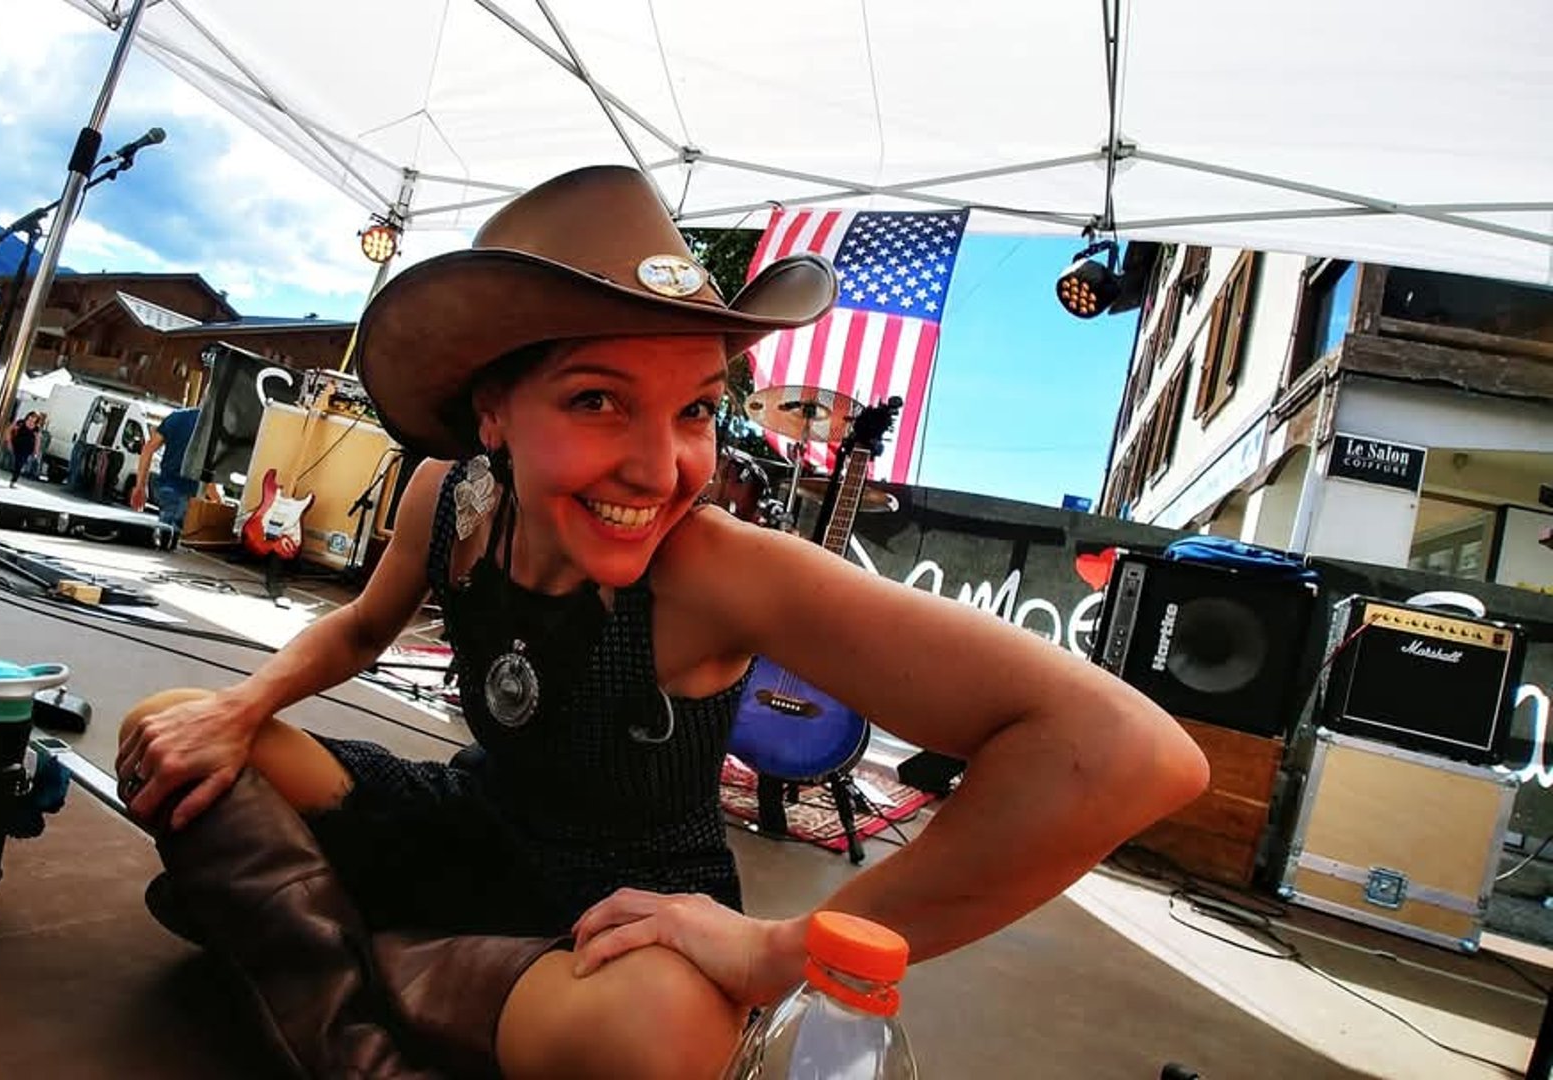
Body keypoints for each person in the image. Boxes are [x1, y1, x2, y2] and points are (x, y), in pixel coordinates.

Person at [117, 166, 1208, 1079]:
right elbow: (358, 630)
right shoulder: (446, 495)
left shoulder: (715, 569)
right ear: (494, 410)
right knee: (177, 722)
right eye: (598, 400)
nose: (661, 465)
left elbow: (1126, 752)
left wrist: (781, 948)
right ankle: (384, 993)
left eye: (692, 407)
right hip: (464, 827)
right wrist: (247, 703)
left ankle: (301, 961)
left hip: (629, 917)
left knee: (669, 1035)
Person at [128, 406, 201, 530]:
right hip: (189, 494)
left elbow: (148, 449)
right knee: (170, 538)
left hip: (167, 487)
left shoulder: (177, 417)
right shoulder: (210, 425)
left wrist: (141, 486)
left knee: (164, 536)